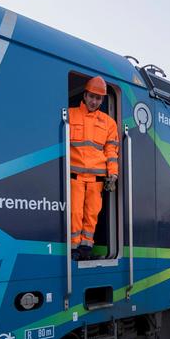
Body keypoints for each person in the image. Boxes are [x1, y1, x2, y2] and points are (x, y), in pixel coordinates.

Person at [69, 76, 119, 260]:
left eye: (98, 98)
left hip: (97, 180)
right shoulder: (70, 114)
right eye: (91, 96)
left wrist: (113, 173)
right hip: (74, 176)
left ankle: (86, 248)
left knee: (91, 214)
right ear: (85, 95)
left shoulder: (109, 123)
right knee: (75, 212)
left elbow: (111, 150)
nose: (94, 101)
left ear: (102, 100)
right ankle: (74, 248)